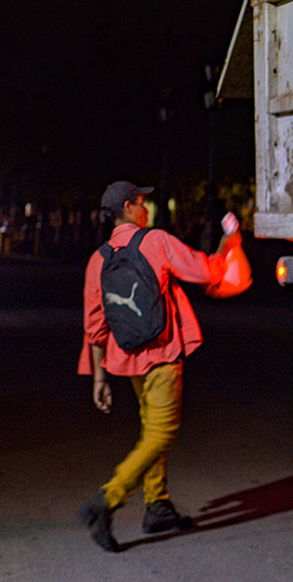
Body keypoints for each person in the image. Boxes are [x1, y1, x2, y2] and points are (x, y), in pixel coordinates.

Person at [77, 180, 238, 552]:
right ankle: (106, 501)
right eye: (143, 202)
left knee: (152, 427)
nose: (147, 209)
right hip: (162, 353)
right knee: (162, 434)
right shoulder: (155, 242)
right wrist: (228, 244)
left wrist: (99, 377)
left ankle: (158, 505)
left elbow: (95, 324)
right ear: (130, 206)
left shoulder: (98, 259)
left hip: (127, 359)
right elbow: (205, 271)